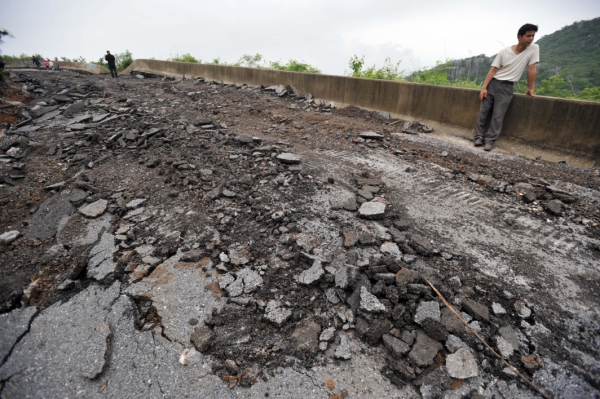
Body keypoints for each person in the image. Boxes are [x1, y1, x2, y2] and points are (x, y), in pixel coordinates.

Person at [474, 23, 540, 151]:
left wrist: (531, 88)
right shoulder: (504, 52)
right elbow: (493, 70)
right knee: (484, 112)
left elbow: (531, 68)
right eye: (528, 36)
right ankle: (478, 137)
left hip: (507, 87)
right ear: (519, 37)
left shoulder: (534, 48)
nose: (531, 39)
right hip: (493, 83)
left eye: (533, 36)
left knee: (498, 115)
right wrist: (484, 88)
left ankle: (490, 140)